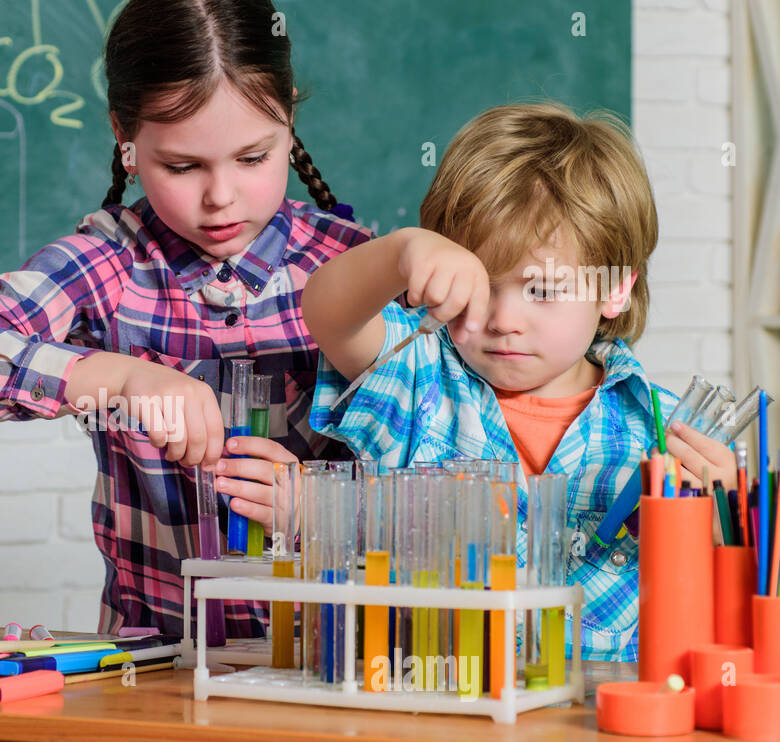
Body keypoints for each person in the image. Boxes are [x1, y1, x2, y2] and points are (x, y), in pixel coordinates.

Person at [0, 0, 370, 636]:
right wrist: (116, 379)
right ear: (125, 137)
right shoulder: (110, 263)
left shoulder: (355, 270)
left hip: (331, 662)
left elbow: (454, 483)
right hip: (155, 669)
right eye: (181, 166)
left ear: (288, 115)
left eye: (253, 158)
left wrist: (330, 512)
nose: (221, 197)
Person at [304, 102, 736, 660]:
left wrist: (729, 530)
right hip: (432, 716)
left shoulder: (660, 427)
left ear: (615, 289)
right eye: (481, 284)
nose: (504, 318)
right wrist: (403, 251)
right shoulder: (418, 378)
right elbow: (328, 315)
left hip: (600, 732)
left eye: (543, 290)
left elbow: (714, 610)